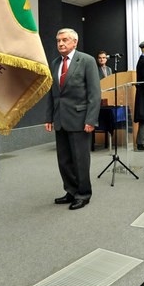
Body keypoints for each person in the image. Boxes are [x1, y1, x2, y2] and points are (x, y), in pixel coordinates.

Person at [44, 28, 101, 210]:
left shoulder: (87, 60)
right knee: (64, 160)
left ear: (74, 42)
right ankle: (70, 191)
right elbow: (53, 94)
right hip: (60, 119)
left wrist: (91, 120)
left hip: (80, 119)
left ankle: (83, 194)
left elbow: (94, 93)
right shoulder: (54, 63)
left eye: (65, 40)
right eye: (58, 40)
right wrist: (49, 117)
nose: (61, 43)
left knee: (80, 159)